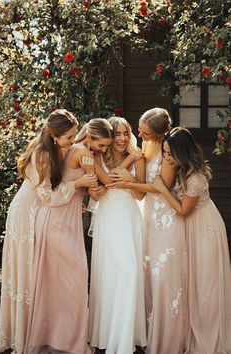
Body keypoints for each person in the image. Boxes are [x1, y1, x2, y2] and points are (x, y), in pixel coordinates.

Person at [0, 109, 97, 354]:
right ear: (53, 136)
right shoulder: (41, 154)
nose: (72, 142)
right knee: (29, 275)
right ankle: (28, 333)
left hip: (41, 210)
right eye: (68, 138)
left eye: (74, 136)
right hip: (27, 215)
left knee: (40, 276)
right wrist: (78, 184)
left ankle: (46, 329)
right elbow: (48, 196)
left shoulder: (52, 148)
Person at [23, 118, 115, 354]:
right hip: (57, 220)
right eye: (102, 145)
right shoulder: (81, 152)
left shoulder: (65, 149)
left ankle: (55, 337)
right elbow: (97, 189)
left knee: (55, 283)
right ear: (91, 137)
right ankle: (70, 342)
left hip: (62, 220)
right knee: (74, 280)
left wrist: (84, 188)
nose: (102, 150)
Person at [108, 108, 187, 354]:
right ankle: (150, 330)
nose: (139, 133)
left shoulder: (168, 151)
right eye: (139, 129)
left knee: (164, 277)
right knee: (148, 272)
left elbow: (160, 185)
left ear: (160, 133)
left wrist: (126, 183)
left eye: (145, 131)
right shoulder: (145, 144)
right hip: (148, 216)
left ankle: (170, 335)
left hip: (167, 217)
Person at [152, 127, 231, 354]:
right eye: (164, 152)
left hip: (205, 229)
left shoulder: (195, 176)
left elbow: (183, 210)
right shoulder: (180, 168)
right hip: (191, 227)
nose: (166, 157)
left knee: (205, 284)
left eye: (169, 153)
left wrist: (161, 190)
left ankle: (210, 337)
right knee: (192, 282)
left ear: (182, 152)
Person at [88, 116, 147, 354]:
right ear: (110, 136)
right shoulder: (97, 156)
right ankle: (107, 334)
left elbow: (141, 195)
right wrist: (130, 160)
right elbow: (106, 183)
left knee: (131, 273)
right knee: (111, 275)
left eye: (126, 133)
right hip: (109, 218)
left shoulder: (138, 158)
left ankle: (128, 336)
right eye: (118, 134)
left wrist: (132, 176)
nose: (123, 138)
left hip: (130, 218)